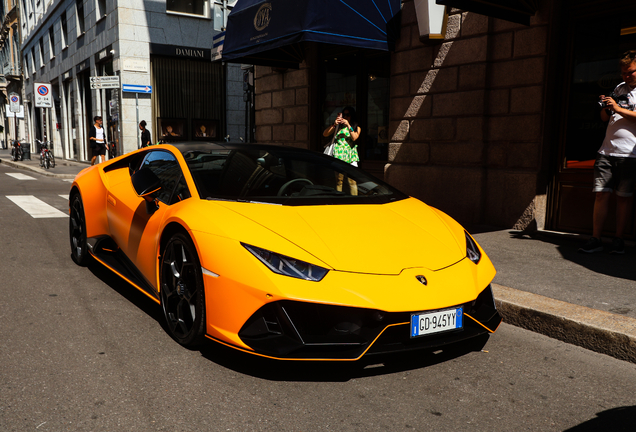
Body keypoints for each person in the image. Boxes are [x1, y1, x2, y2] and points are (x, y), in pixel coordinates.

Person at [579, 50, 636, 254]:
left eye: (630, 72)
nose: (626, 76)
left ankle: (618, 239)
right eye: (623, 73)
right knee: (601, 195)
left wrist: (619, 109)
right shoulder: (619, 88)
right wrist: (606, 106)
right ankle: (596, 238)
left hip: (630, 154)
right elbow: (605, 119)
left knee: (623, 198)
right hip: (607, 150)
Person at [322, 106, 361, 195]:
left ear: (352, 116)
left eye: (348, 115)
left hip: (351, 156)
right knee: (339, 181)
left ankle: (354, 201)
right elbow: (325, 134)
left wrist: (348, 125)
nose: (345, 117)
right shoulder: (337, 127)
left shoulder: (356, 128)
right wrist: (334, 124)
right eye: (344, 115)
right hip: (339, 155)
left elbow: (354, 137)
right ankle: (339, 199)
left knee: (352, 181)